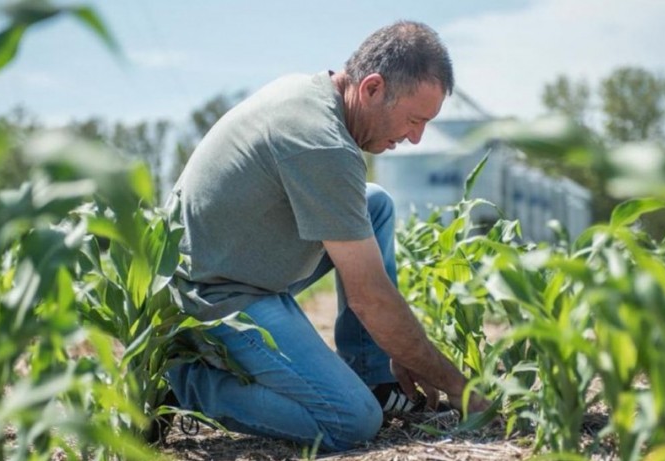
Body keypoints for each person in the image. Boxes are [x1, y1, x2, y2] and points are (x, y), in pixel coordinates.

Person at [162, 20, 490, 451]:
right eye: (414, 120)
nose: (415, 138)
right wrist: (458, 386)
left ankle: (373, 377)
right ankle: (181, 381)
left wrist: (404, 350)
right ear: (372, 88)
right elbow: (370, 298)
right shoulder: (322, 143)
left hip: (231, 260)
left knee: (374, 204)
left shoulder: (313, 94)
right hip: (210, 296)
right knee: (351, 421)